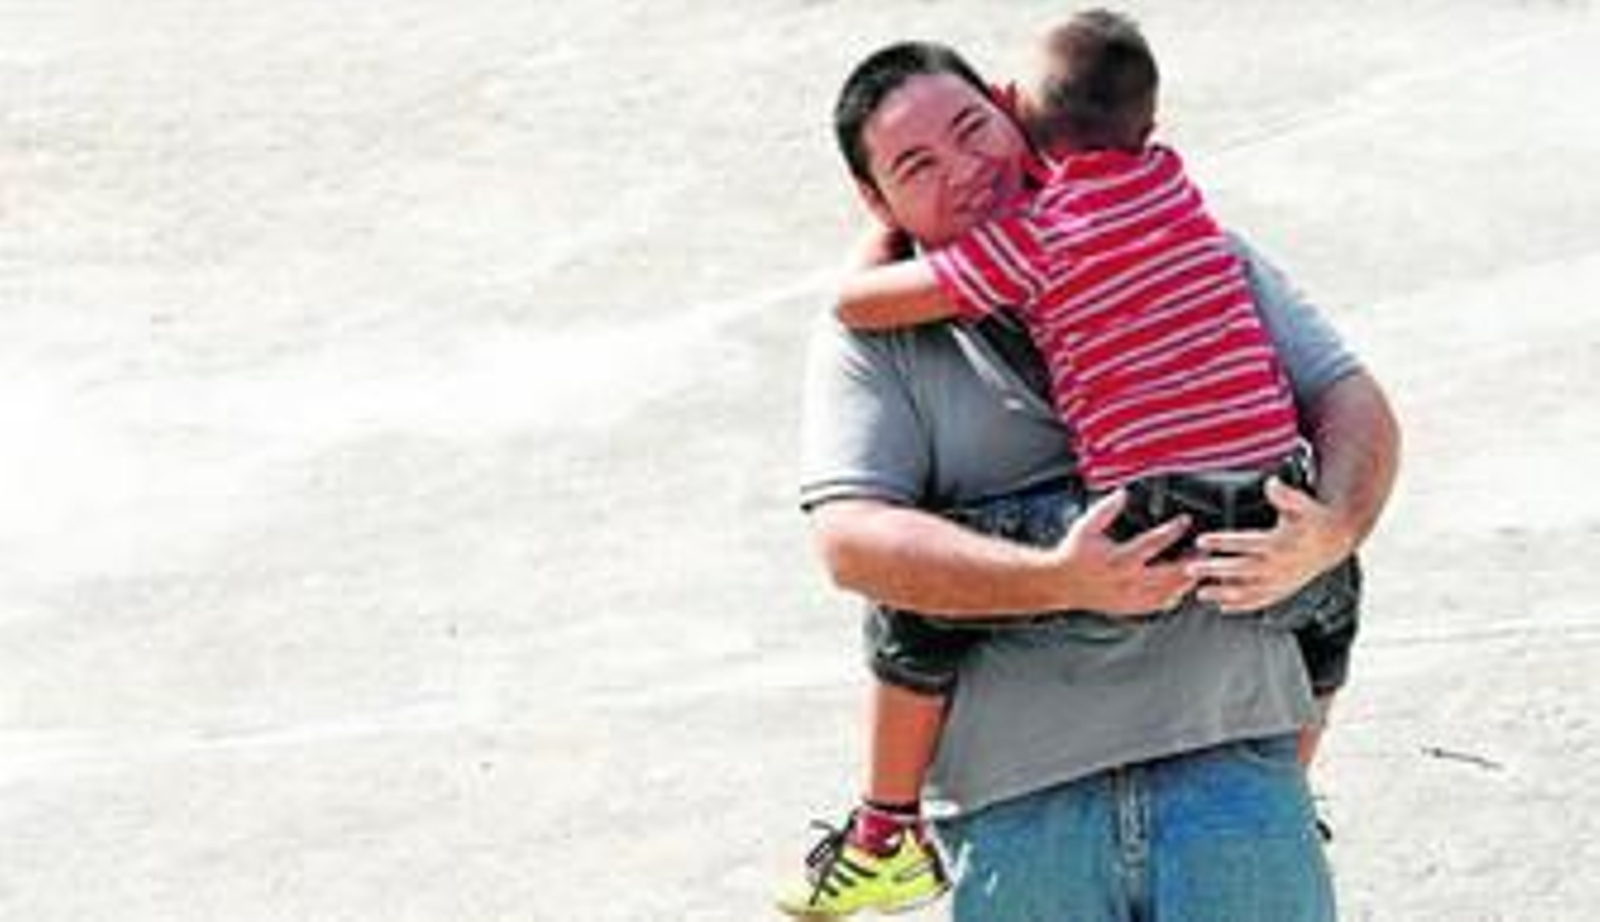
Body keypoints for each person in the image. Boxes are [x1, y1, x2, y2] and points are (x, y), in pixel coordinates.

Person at [779, 36, 1398, 921]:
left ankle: (1298, 782)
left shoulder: (1188, 244)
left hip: (1237, 779)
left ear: (1012, 109)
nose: (964, 170)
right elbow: (850, 543)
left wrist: (1333, 525)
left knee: (1329, 565)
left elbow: (1351, 398)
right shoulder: (879, 344)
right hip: (1023, 812)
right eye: (917, 164)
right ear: (874, 202)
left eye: (971, 129)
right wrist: (1055, 580)